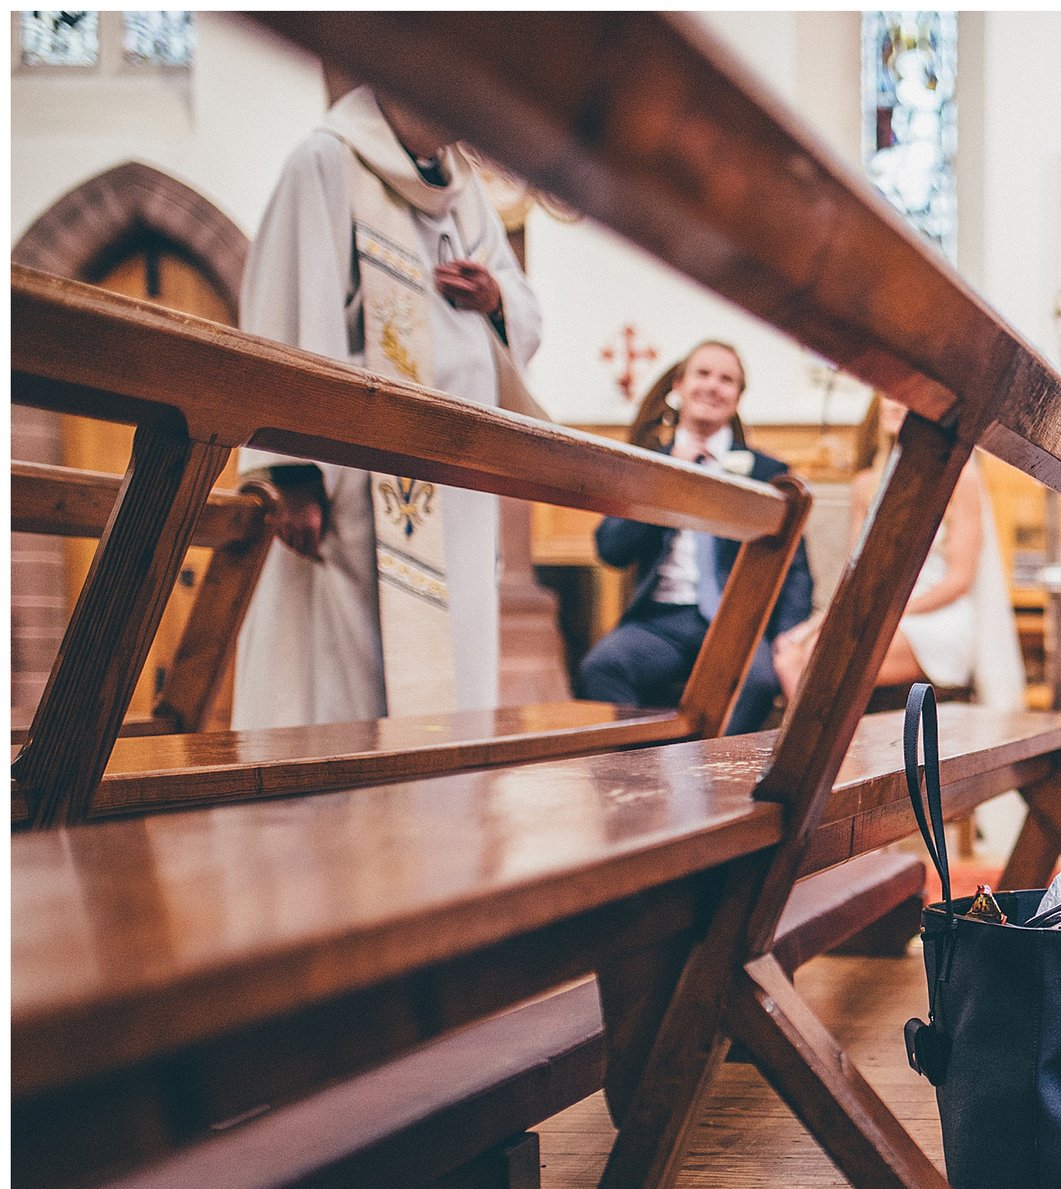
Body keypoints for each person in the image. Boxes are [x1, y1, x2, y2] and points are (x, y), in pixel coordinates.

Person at [232, 85, 543, 727]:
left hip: (456, 480)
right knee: (354, 671)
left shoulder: (465, 193)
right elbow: (287, 310)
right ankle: (345, 811)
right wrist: (292, 473)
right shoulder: (325, 162)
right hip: (361, 477)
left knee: (454, 655)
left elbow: (518, 294)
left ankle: (441, 806)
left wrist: (496, 300)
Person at [578, 342, 812, 735]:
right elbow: (611, 549)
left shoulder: (768, 472)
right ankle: (642, 779)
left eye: (727, 379)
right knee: (601, 667)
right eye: (703, 374)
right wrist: (666, 481)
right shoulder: (648, 462)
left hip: (734, 622)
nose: (713, 386)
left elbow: (796, 567)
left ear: (738, 396)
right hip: (659, 620)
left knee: (755, 682)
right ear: (679, 384)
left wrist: (789, 636)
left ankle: (713, 787)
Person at [769, 393, 1021, 709]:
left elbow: (959, 581)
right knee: (788, 655)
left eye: (907, 397)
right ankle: (839, 757)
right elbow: (857, 576)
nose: (894, 403)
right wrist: (814, 624)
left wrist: (888, 613)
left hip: (937, 616)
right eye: (888, 395)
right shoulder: (865, 484)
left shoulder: (960, 476)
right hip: (880, 613)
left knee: (825, 658)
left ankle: (838, 757)